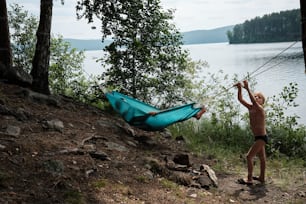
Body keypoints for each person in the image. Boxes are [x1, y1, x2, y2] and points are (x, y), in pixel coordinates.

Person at [234, 80, 267, 185]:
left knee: (249, 157)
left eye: (259, 97)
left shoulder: (260, 109)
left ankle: (249, 179)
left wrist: (247, 88)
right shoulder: (251, 108)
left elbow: (253, 101)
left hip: (262, 137)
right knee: (262, 158)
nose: (256, 98)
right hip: (257, 137)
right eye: (256, 96)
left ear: (262, 102)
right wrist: (239, 88)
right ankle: (261, 177)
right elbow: (240, 99)